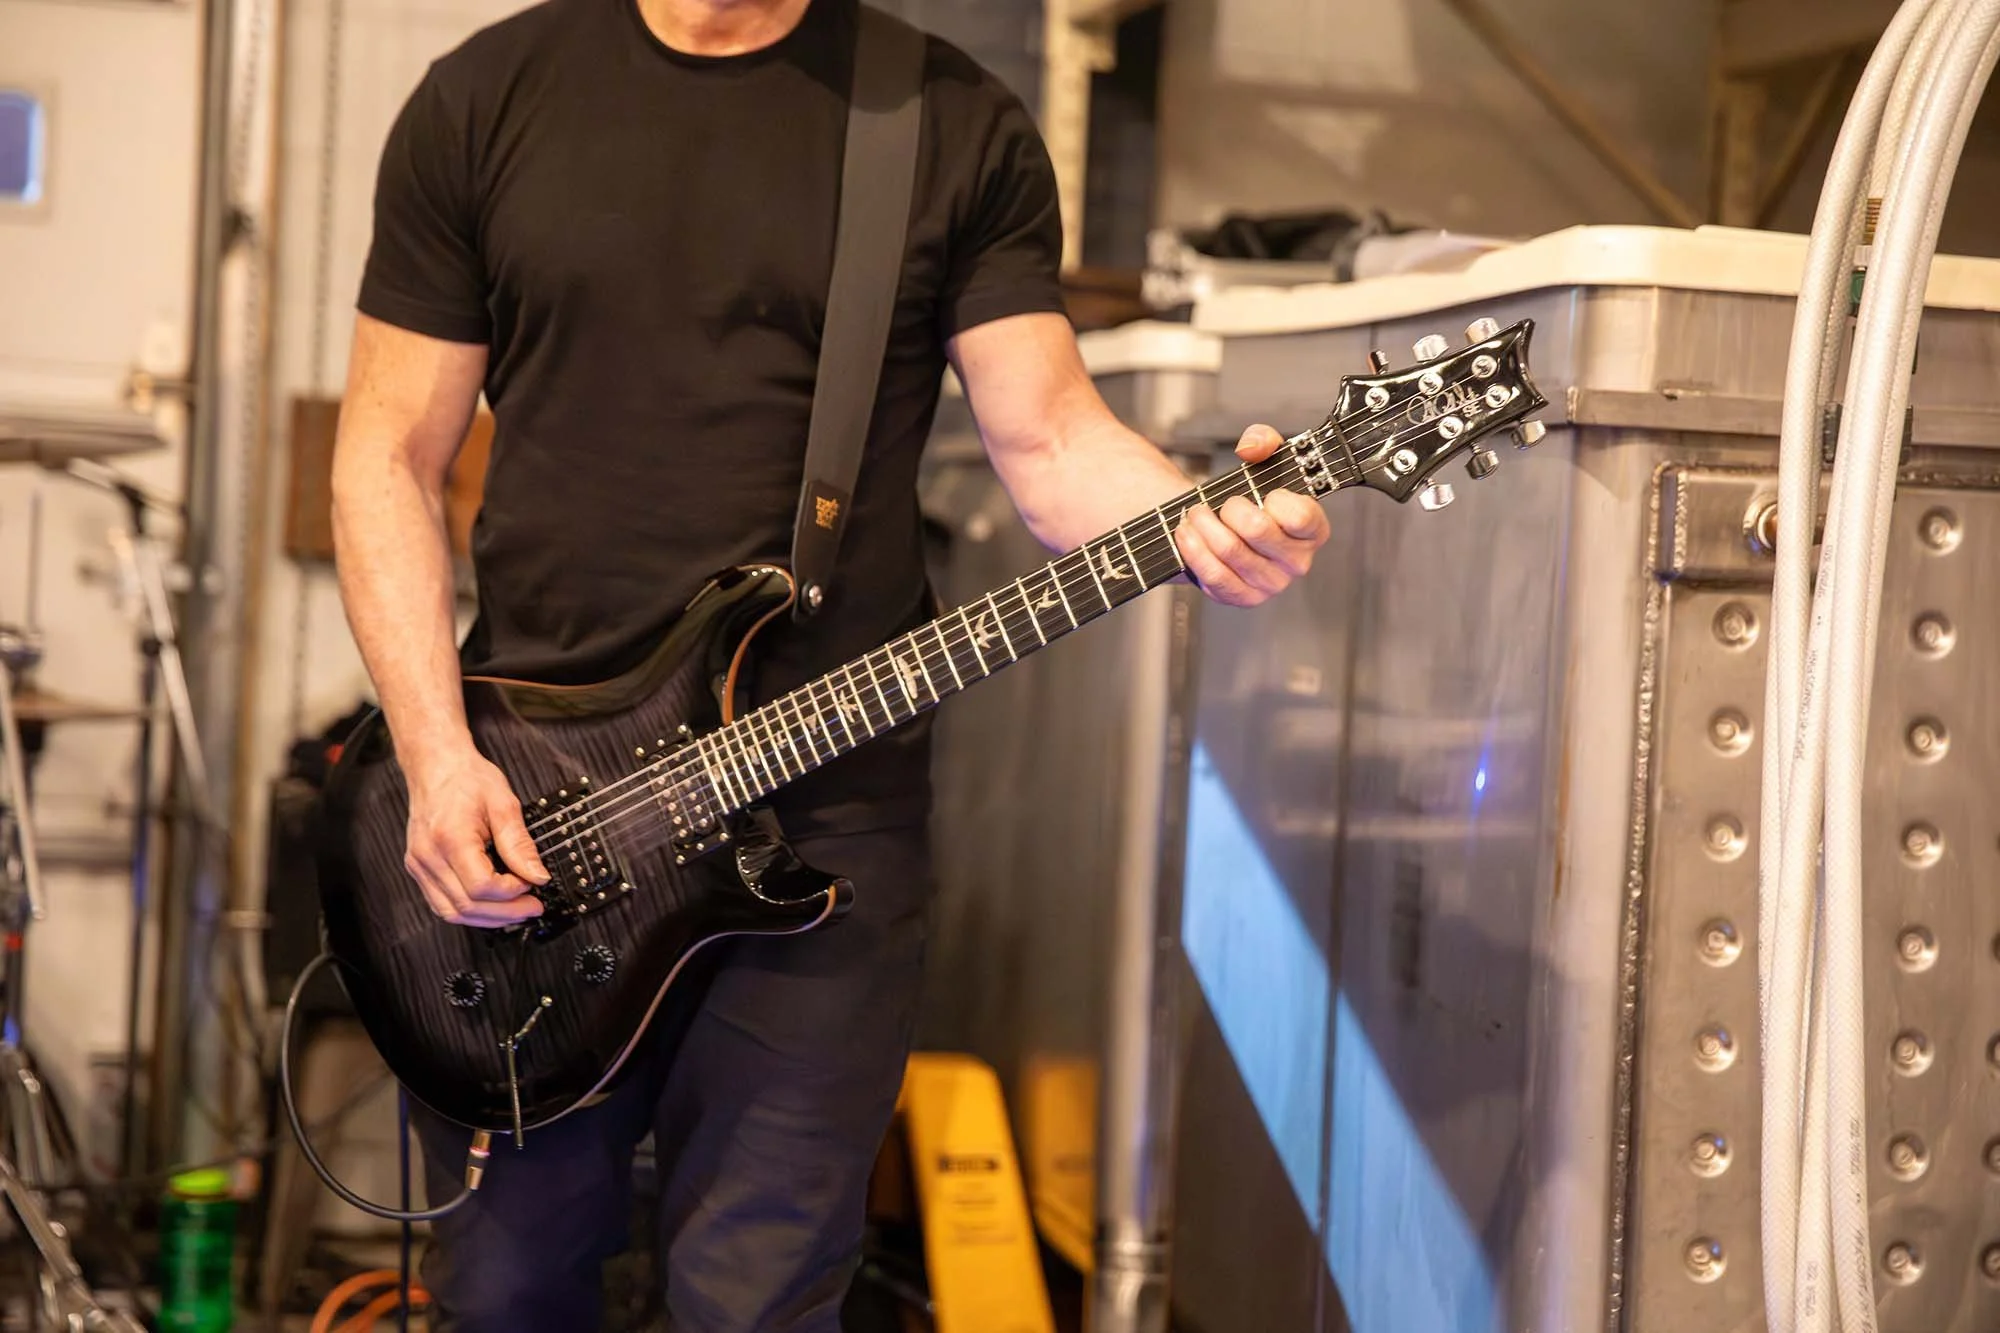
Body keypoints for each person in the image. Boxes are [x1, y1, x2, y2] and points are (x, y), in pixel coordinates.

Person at [329, 0, 1330, 1327]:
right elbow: (388, 454)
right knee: (510, 1294)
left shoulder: (946, 121)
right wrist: (433, 756)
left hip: (825, 813)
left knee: (763, 1301)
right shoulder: (485, 98)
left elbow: (1050, 444)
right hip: (530, 809)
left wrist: (1202, 522)